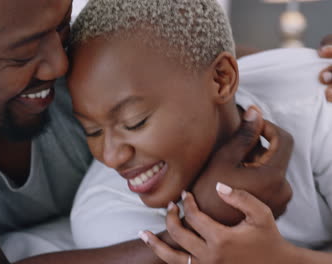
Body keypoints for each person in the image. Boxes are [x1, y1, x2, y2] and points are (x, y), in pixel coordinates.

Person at [0, 0, 298, 263]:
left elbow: (190, 62)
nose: (59, 65)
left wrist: (309, 68)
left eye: (61, 27)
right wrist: (203, 224)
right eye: (20, 55)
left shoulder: (34, 31)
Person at [67, 0, 332, 263]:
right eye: (93, 131)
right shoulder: (105, 212)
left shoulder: (318, 106)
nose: (112, 157)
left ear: (221, 80)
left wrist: (284, 258)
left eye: (135, 122)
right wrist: (210, 218)